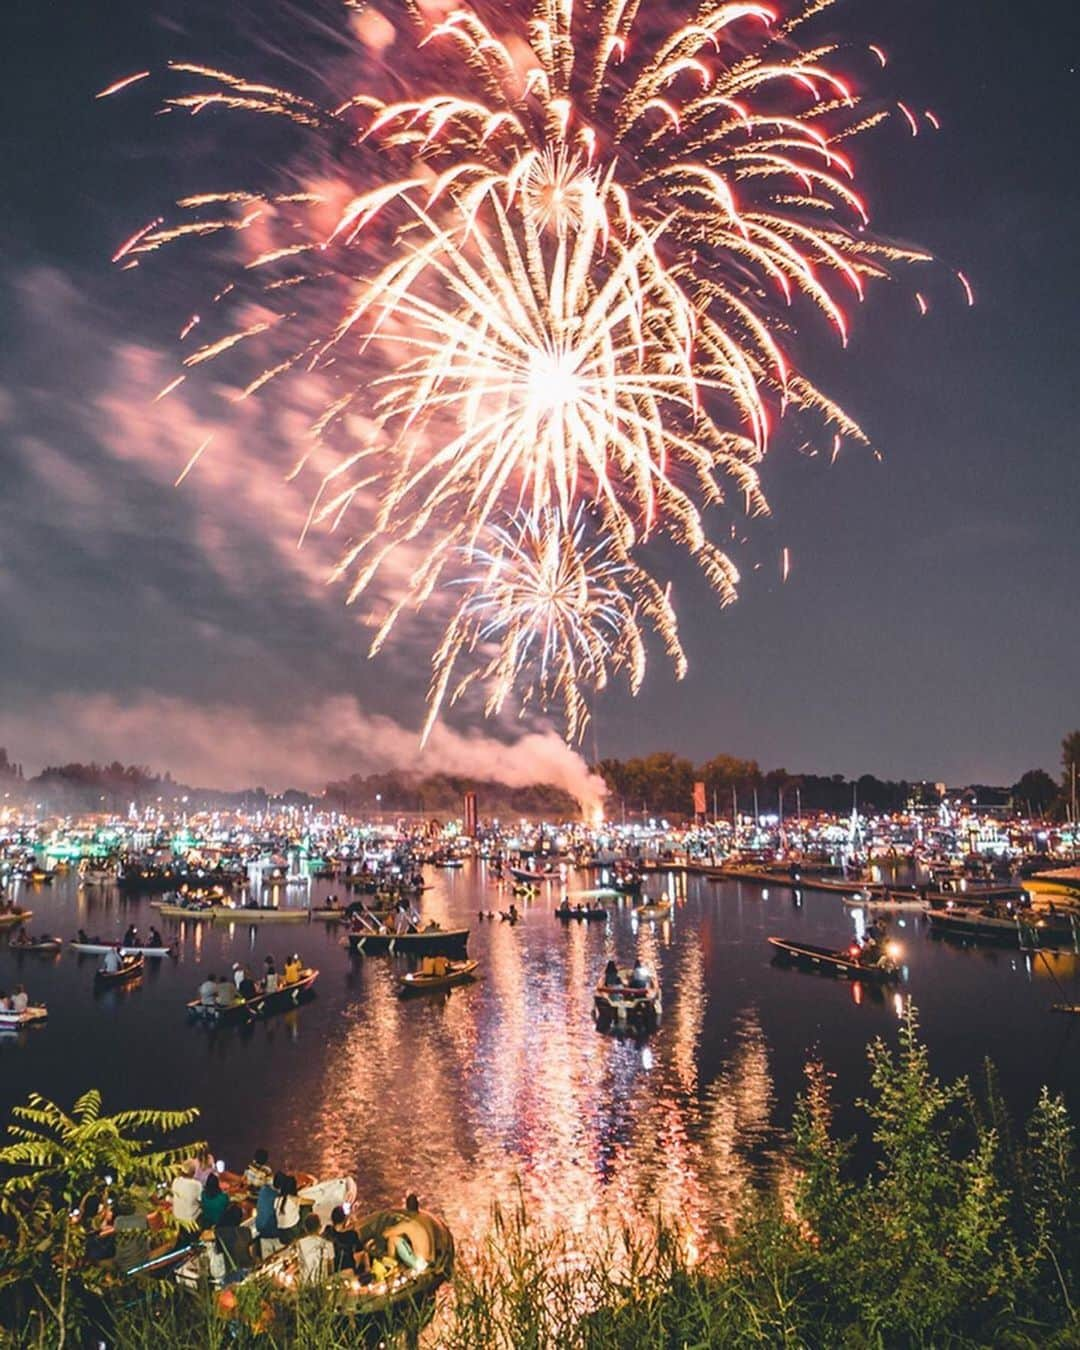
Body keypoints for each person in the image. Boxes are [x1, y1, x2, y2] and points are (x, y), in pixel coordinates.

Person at [216, 1203, 255, 1275]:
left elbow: (219, 1252)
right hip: (248, 1267)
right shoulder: (245, 1231)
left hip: (231, 1271)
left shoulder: (220, 1234)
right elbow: (251, 1251)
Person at [295, 1212, 334, 1283]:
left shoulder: (299, 1243)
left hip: (305, 1283)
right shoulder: (328, 1244)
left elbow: (298, 1263)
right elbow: (331, 1268)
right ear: (320, 1227)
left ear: (305, 1228)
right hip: (322, 1283)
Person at [324, 1205, 363, 1273]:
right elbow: (360, 1249)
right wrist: (355, 1224)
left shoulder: (328, 1231)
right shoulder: (351, 1234)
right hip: (347, 1268)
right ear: (344, 1219)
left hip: (333, 1269)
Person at [170, 1160, 203, 1231]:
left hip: (177, 1220)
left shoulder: (176, 1181)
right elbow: (202, 1201)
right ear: (194, 1171)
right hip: (191, 1221)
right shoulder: (196, 1184)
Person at [274, 1174, 301, 1241]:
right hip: (293, 1231)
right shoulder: (294, 1199)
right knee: (306, 1208)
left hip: (281, 1231)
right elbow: (308, 1201)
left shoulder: (277, 1200)